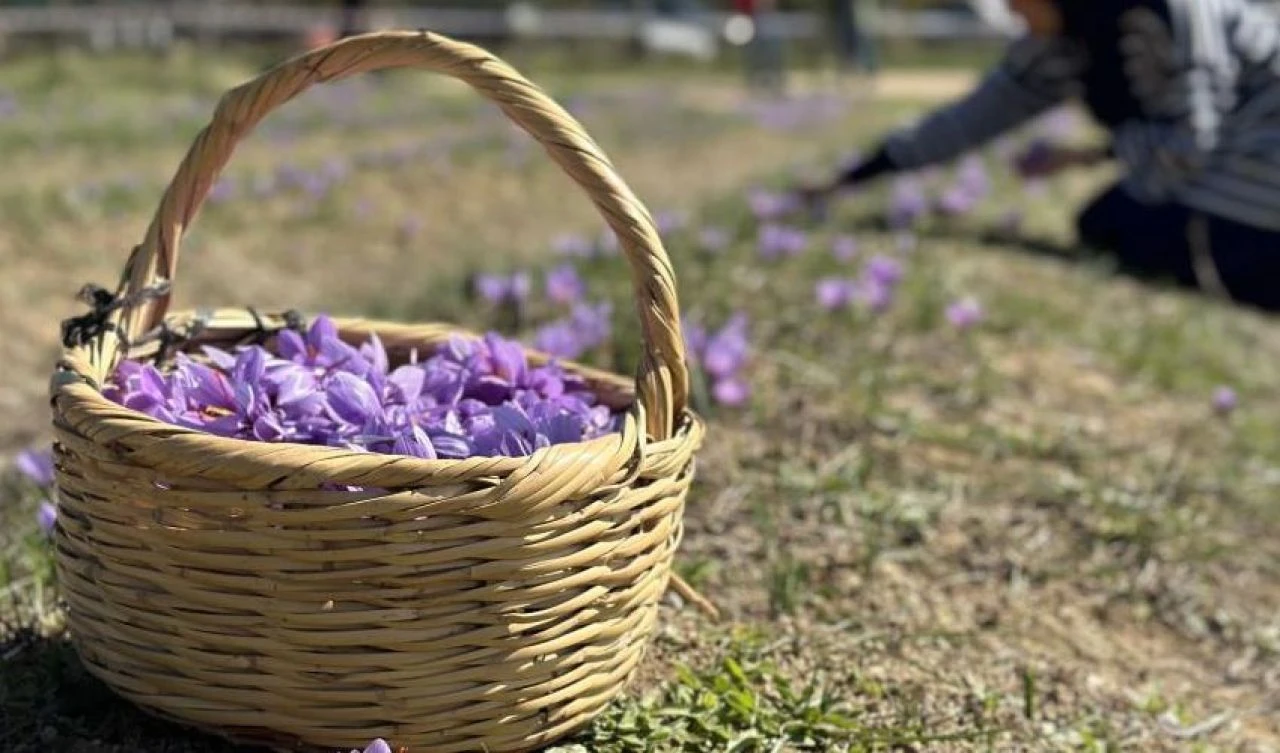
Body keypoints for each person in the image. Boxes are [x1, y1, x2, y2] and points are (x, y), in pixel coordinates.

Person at [797, 0, 1280, 313]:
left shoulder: (1169, 13)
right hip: (1230, 169)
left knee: (1119, 224)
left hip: (1265, 169)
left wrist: (1085, 155)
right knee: (1107, 221)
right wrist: (852, 177)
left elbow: (1191, 144)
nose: (1008, 9)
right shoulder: (1060, 44)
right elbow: (967, 119)